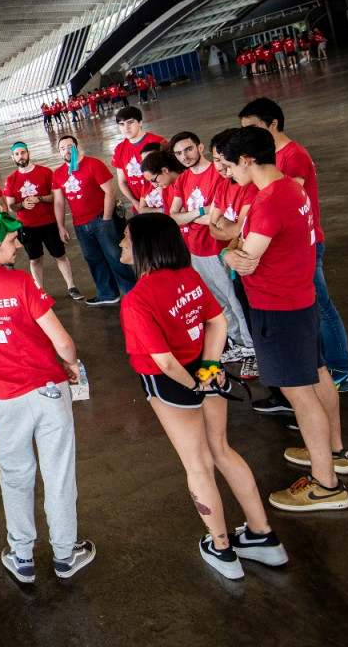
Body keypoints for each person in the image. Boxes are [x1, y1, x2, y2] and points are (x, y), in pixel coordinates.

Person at [119, 214, 286, 578]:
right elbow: (218, 321)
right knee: (222, 451)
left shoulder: (136, 299)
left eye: (126, 239)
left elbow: (162, 360)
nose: (120, 244)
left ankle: (222, 549)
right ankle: (263, 537)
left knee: (198, 464)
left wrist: (193, 385)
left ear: (145, 247)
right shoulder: (189, 276)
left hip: (173, 383)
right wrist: (209, 369)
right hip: (203, 369)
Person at [0, 210, 96, 583]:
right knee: (58, 473)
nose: (19, 246)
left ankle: (22, 555)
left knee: (15, 475)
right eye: (13, 241)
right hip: (47, 390)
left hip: (4, 397)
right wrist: (72, 365)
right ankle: (64, 555)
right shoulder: (22, 283)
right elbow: (63, 342)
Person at [218, 127, 348, 510]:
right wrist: (236, 246)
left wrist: (228, 252)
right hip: (300, 298)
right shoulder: (292, 189)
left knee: (299, 393)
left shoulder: (269, 201)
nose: (227, 173)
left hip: (278, 307)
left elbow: (245, 260)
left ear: (246, 160)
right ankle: (333, 451)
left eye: (228, 165)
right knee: (318, 373)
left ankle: (325, 485)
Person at [238, 98, 348, 392]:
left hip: (303, 246)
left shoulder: (292, 156)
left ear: (273, 124)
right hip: (295, 245)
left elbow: (286, 206)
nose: (246, 136)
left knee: (321, 307)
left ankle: (340, 369)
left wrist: (231, 251)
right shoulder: (274, 157)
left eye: (251, 128)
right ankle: (324, 367)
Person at [163, 132, 255, 372]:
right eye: (179, 153)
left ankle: (251, 349)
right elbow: (173, 217)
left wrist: (194, 218)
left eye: (189, 149)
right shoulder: (182, 180)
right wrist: (200, 214)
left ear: (200, 147)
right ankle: (236, 343)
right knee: (218, 302)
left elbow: (221, 216)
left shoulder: (220, 173)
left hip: (219, 248)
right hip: (196, 251)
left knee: (235, 301)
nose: (185, 156)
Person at [53, 134, 135, 305]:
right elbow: (59, 201)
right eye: (62, 148)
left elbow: (110, 191)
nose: (66, 151)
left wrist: (105, 217)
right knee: (93, 259)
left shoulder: (93, 164)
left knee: (116, 256)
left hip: (101, 218)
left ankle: (133, 293)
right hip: (80, 224)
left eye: (70, 146)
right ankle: (107, 294)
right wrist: (61, 226)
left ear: (77, 146)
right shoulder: (59, 174)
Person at [3, 142, 82, 300]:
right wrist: (23, 204)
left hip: (49, 223)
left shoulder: (45, 172)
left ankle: (71, 286)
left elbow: (56, 196)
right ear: (13, 157)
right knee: (35, 259)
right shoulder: (11, 180)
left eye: (23, 153)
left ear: (28, 153)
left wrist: (39, 198)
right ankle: (40, 291)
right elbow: (11, 206)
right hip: (27, 227)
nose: (21, 156)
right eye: (17, 154)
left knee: (60, 255)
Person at [112, 107, 168, 213]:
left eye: (130, 122)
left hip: (164, 205)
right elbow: (122, 182)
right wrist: (134, 202)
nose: (126, 128)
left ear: (140, 122)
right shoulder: (120, 149)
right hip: (139, 208)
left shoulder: (158, 142)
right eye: (122, 124)